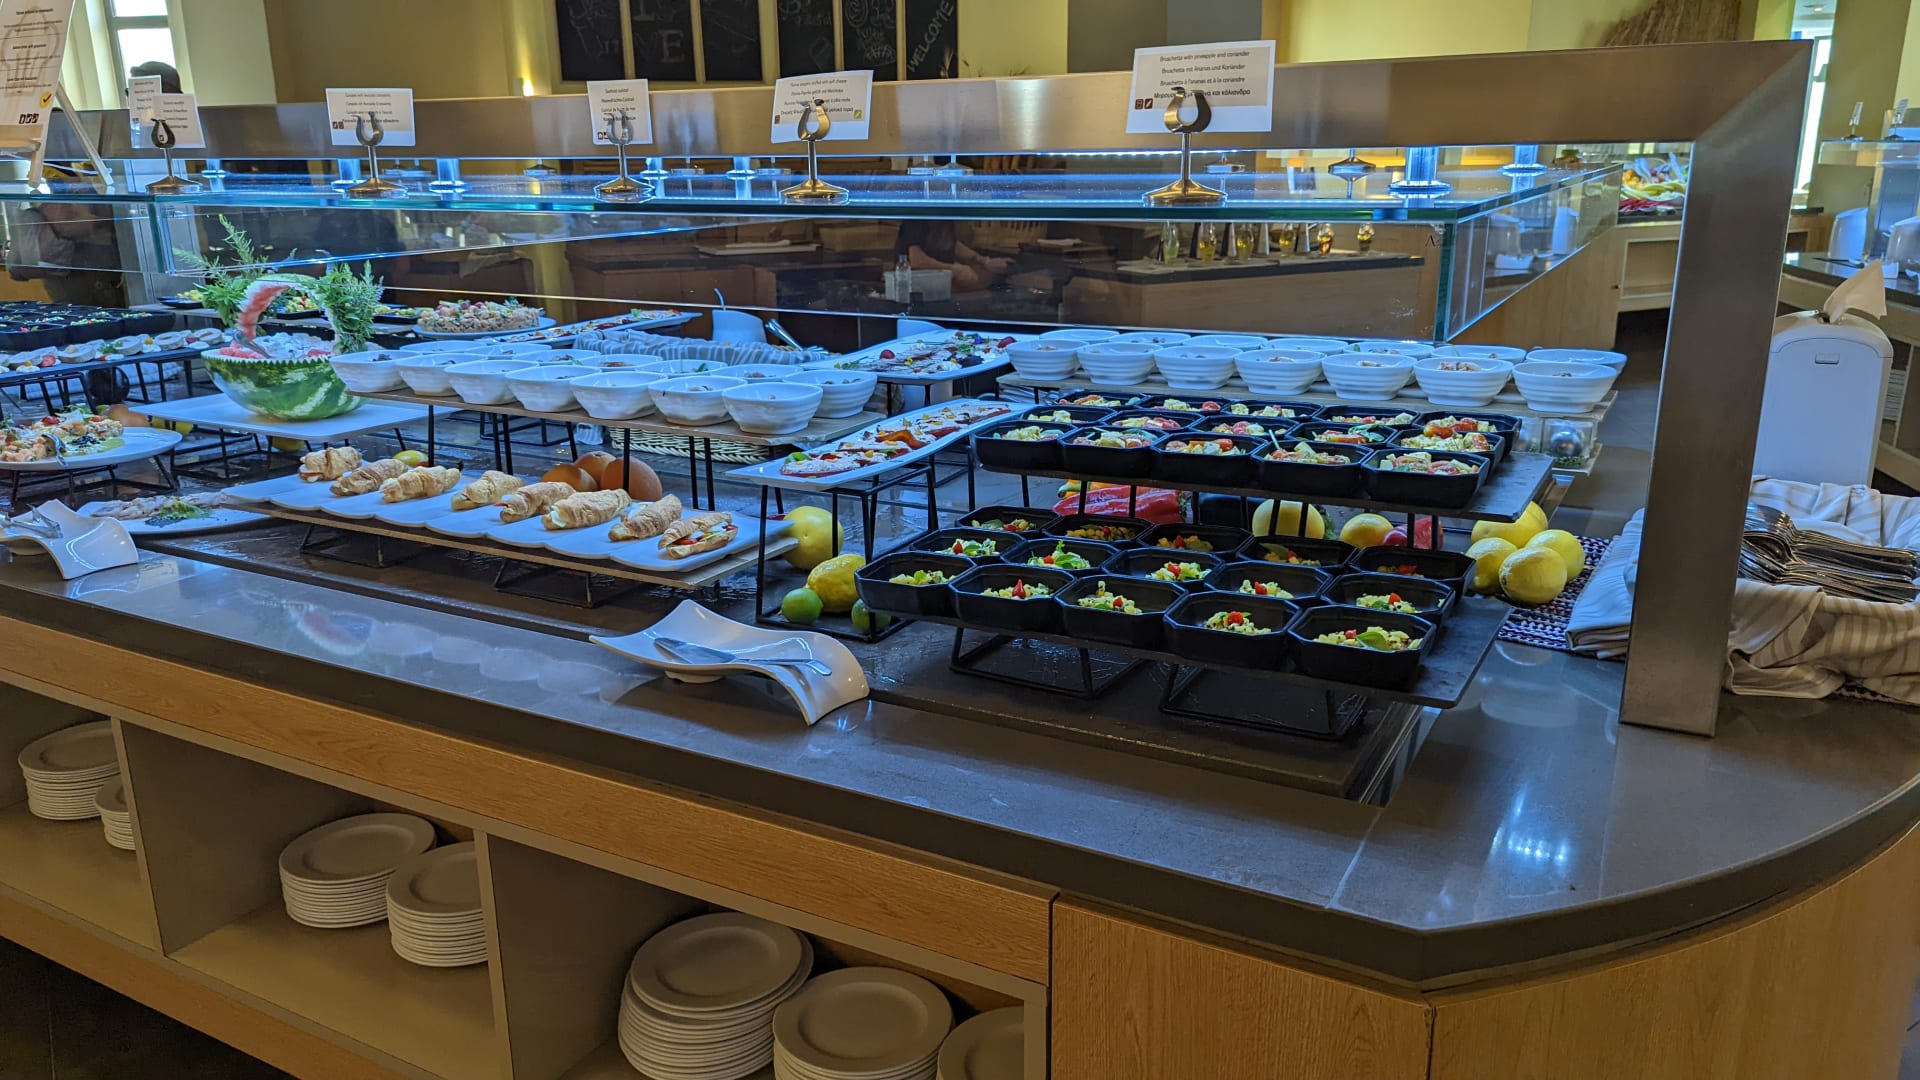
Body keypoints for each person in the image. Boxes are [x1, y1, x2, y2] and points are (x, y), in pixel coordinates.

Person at [894, 221, 1009, 293]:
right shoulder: (916, 222)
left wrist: (985, 261)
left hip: (944, 280)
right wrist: (954, 270)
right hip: (916, 285)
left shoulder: (945, 220)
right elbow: (917, 260)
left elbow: (951, 244)